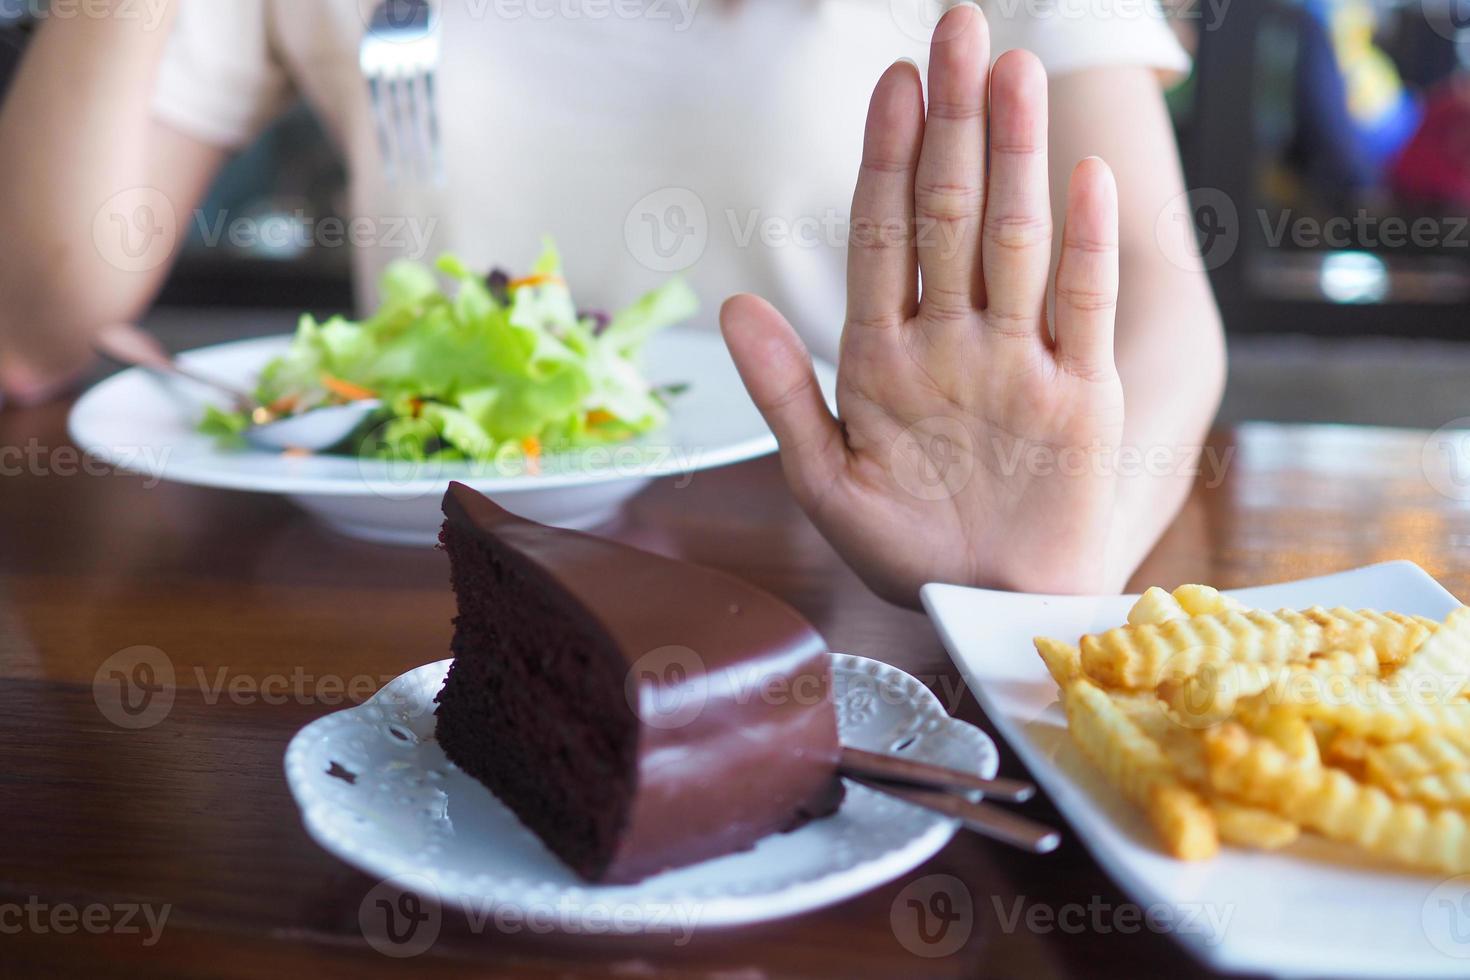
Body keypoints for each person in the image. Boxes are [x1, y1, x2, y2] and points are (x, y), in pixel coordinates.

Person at [0, 1, 1224, 604]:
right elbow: (30, 319)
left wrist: (1046, 574)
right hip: (408, 603)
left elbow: (1165, 300)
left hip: (853, 600)